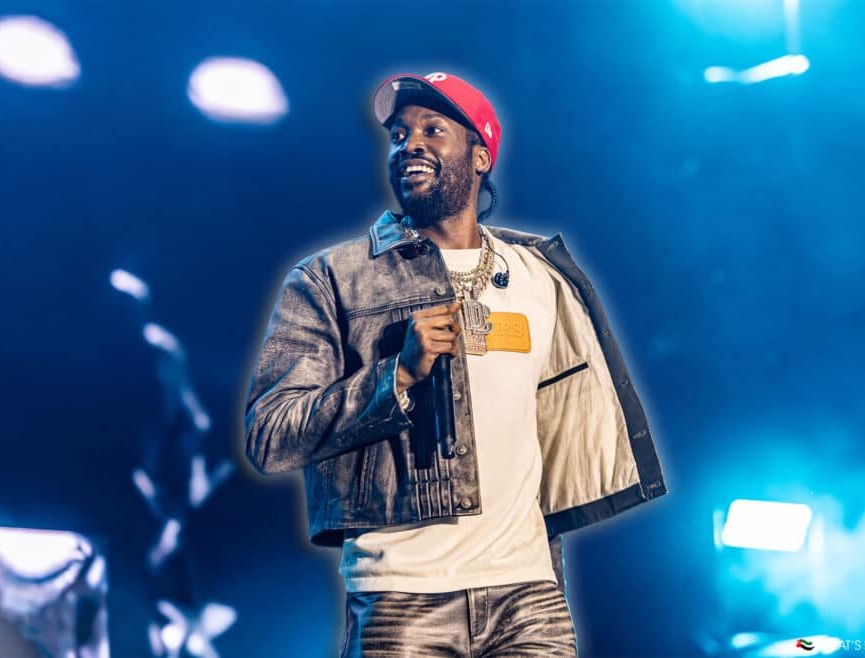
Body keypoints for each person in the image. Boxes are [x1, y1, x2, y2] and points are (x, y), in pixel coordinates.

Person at [242, 71, 668, 657]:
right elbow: (270, 435)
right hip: (401, 595)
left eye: (432, 129)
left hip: (529, 595)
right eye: (397, 134)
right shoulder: (331, 279)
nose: (408, 143)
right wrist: (397, 377)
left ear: (481, 156)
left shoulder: (542, 278)